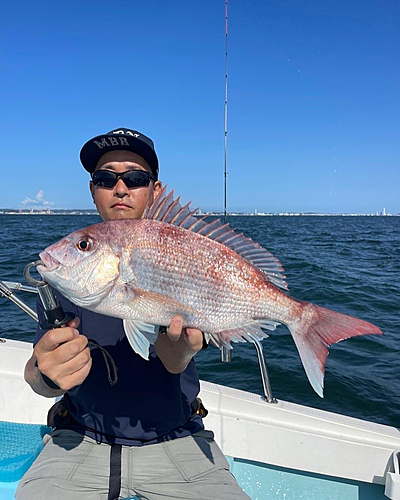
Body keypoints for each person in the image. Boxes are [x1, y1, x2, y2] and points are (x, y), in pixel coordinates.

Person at [17, 128, 250, 500]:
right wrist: (46, 373)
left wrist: (181, 354)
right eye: (106, 178)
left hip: (177, 437)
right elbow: (37, 374)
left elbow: (176, 361)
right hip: (78, 438)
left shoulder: (179, 251)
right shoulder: (70, 281)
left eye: (136, 178)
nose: (121, 188)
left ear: (155, 191)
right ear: (93, 190)